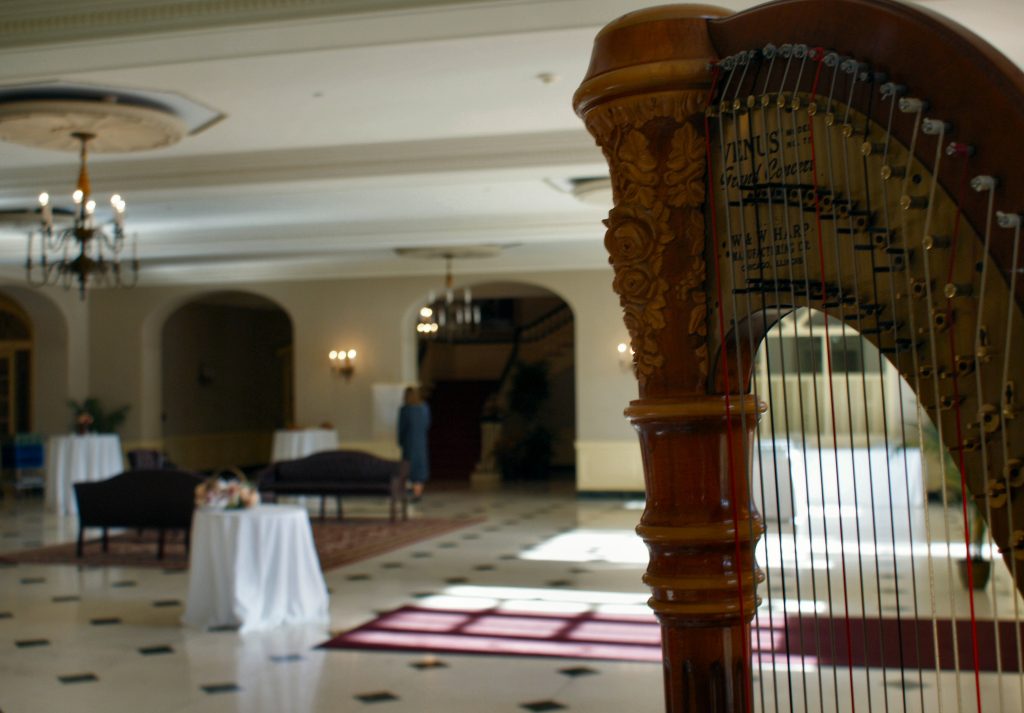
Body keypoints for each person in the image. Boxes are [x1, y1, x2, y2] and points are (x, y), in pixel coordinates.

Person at [398, 385, 431, 501]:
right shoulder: (424, 408)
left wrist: (401, 441)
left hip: (409, 443)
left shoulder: (405, 410)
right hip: (421, 442)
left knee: (410, 467)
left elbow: (401, 428)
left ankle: (414, 492)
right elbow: (427, 425)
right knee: (420, 467)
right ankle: (418, 492)